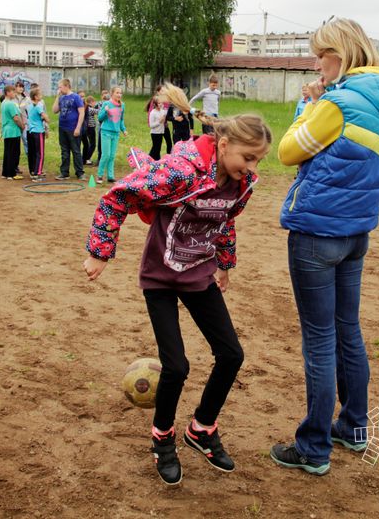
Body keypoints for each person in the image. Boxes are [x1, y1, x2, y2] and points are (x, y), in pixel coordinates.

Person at [83, 109, 272, 486]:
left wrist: (225, 263)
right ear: (223, 144)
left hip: (199, 274)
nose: (252, 167)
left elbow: (225, 220)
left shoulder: (241, 183)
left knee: (232, 354)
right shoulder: (181, 171)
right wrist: (99, 252)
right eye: (247, 157)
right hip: (161, 279)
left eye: (258, 160)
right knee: (177, 367)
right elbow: (117, 196)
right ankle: (163, 438)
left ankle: (201, 428)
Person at [270, 17, 379, 476]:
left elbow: (289, 151)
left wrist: (306, 105)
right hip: (356, 234)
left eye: (320, 56)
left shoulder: (337, 103)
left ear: (342, 54)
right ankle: (354, 426)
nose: (316, 64)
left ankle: (313, 447)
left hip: (316, 235)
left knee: (319, 340)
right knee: (347, 330)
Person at [52, 79, 85, 181]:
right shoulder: (61, 98)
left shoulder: (76, 97)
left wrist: (78, 127)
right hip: (62, 127)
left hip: (73, 128)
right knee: (64, 151)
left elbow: (82, 112)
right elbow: (54, 110)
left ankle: (80, 173)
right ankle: (64, 173)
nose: (59, 89)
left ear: (66, 86)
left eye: (60, 87)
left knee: (76, 150)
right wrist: (57, 96)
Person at [95, 86, 127, 184]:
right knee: (106, 155)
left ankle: (110, 176)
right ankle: (99, 175)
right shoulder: (106, 103)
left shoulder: (122, 105)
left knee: (112, 156)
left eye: (120, 93)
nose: (119, 95)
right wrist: (106, 111)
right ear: (112, 93)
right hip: (105, 132)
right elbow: (100, 118)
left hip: (115, 133)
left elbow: (121, 119)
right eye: (117, 93)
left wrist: (124, 129)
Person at [0, 85, 25, 181]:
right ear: (7, 93)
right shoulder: (10, 104)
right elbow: (16, 118)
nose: (14, 93)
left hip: (7, 130)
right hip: (13, 131)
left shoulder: (3, 103)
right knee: (13, 153)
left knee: (7, 152)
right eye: (13, 92)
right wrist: (22, 126)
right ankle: (12, 173)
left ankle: (5, 173)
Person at [26, 88, 49, 180]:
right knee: (40, 153)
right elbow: (46, 118)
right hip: (38, 131)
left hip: (31, 131)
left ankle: (33, 171)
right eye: (40, 95)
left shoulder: (29, 105)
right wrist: (46, 118)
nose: (41, 96)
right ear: (35, 97)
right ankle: (37, 173)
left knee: (34, 153)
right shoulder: (39, 106)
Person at [147, 95, 167, 160]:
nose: (160, 104)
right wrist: (159, 121)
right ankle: (148, 159)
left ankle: (157, 160)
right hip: (155, 133)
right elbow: (151, 125)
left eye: (161, 102)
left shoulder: (162, 111)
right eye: (159, 103)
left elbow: (166, 113)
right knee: (155, 148)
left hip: (161, 132)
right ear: (155, 104)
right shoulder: (153, 113)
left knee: (158, 148)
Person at [82, 95, 98, 165]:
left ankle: (85, 158)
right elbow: (99, 111)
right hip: (90, 128)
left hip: (86, 128)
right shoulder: (90, 109)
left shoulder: (86, 108)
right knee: (93, 144)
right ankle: (87, 158)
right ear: (91, 102)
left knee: (88, 144)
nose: (95, 103)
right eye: (94, 102)